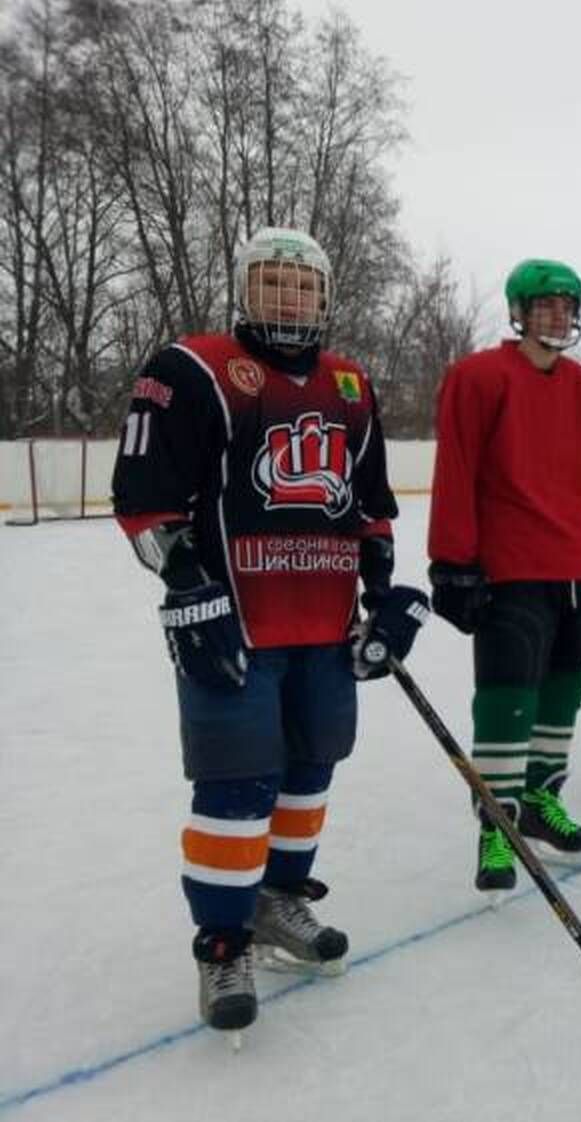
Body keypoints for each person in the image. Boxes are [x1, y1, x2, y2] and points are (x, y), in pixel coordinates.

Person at [111, 227, 427, 1034]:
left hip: (323, 625)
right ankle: (222, 942)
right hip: (235, 625)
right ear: (246, 290)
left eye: (302, 286)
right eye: (272, 283)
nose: (288, 299)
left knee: (311, 767)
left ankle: (279, 900)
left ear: (324, 297)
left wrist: (385, 592)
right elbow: (145, 500)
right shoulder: (191, 370)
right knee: (234, 783)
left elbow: (371, 505)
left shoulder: (351, 385)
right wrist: (189, 586)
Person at [428, 259, 581, 889]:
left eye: (567, 304)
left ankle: (539, 801)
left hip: (577, 569)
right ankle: (497, 826)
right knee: (507, 700)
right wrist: (452, 561)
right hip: (511, 571)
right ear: (519, 311)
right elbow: (455, 471)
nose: (558, 315)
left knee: (564, 692)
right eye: (545, 305)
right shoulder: (478, 378)